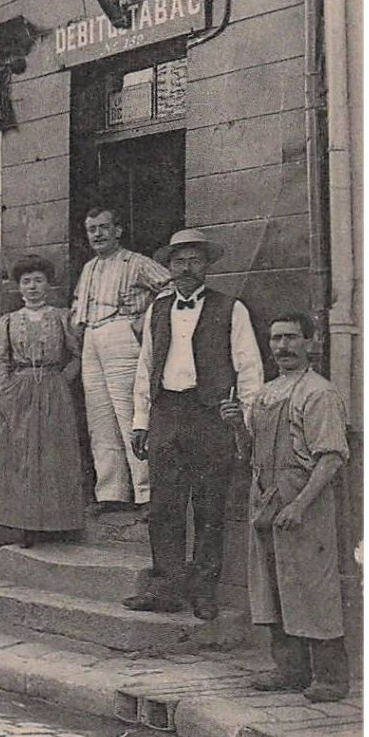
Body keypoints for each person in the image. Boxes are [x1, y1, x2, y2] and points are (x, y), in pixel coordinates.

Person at [124, 228, 264, 620]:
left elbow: (249, 369)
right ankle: (166, 587)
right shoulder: (159, 309)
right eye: (179, 261)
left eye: (194, 260)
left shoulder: (231, 308)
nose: (187, 268)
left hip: (210, 417)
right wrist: (141, 422)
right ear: (169, 267)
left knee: (208, 506)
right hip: (167, 414)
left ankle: (204, 591)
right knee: (164, 506)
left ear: (207, 266)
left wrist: (245, 425)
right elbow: (145, 368)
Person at [246, 313, 352, 702]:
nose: (282, 347)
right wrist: (234, 427)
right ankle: (289, 670)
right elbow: (253, 451)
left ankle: (330, 678)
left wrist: (300, 505)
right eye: (276, 339)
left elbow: (332, 458)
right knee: (272, 585)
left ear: (310, 342)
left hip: (304, 499)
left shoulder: (318, 392)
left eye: (291, 338)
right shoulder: (266, 392)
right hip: (266, 498)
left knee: (312, 585)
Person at [70, 207, 171, 512]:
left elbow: (170, 285)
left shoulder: (136, 262)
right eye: (92, 230)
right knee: (100, 419)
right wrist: (77, 323)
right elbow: (77, 303)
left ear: (118, 230)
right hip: (92, 338)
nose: (97, 234)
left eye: (103, 228)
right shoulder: (89, 268)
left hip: (122, 336)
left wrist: (145, 318)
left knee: (130, 413)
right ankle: (112, 492)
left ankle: (146, 493)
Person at [0, 256, 87, 543]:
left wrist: (61, 381)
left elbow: (78, 355)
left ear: (48, 284)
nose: (33, 287)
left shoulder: (61, 317)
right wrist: (8, 389)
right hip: (20, 391)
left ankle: (56, 523)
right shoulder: (9, 321)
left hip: (53, 388)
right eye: (26, 281)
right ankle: (25, 525)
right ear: (19, 286)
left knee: (53, 453)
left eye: (38, 280)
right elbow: (0, 360)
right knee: (21, 455)